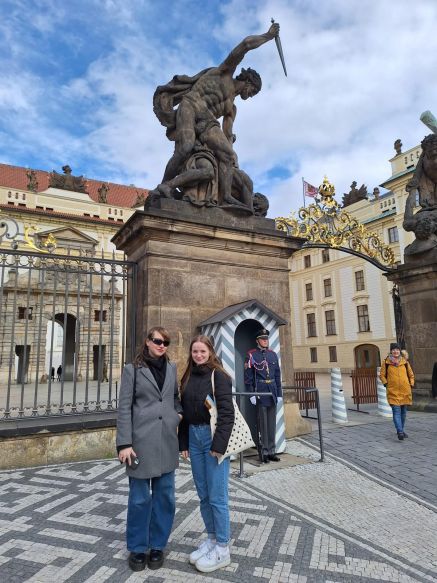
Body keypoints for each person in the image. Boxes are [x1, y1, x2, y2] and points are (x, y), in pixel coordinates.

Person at [154, 23, 279, 207]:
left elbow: (227, 135)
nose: (250, 96)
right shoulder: (225, 73)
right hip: (191, 105)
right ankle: (164, 186)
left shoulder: (231, 109)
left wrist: (233, 159)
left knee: (227, 154)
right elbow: (245, 45)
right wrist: (268, 36)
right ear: (248, 81)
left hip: (208, 121)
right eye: (252, 91)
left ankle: (227, 196)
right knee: (186, 147)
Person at [116, 327, 183, 572]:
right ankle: (137, 548)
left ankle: (157, 545)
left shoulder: (173, 367)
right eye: (157, 341)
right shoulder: (132, 369)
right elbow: (124, 407)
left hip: (166, 441)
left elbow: (175, 398)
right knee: (139, 499)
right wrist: (124, 443)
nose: (162, 345)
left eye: (166, 341)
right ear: (147, 342)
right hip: (140, 443)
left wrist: (177, 415)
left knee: (165, 497)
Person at [179, 335, 234, 573]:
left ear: (210, 352)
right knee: (202, 494)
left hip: (212, 439)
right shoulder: (188, 375)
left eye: (202, 351)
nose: (198, 355)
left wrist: (219, 445)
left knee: (217, 496)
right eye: (195, 352)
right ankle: (211, 539)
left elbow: (226, 414)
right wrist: (183, 443)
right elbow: (183, 411)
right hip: (194, 437)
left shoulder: (219, 376)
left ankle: (222, 548)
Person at [244, 328, 282, 463]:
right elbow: (248, 378)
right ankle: (264, 451)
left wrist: (279, 393)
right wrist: (251, 394)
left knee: (272, 423)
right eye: (262, 339)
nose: (265, 341)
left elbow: (277, 375)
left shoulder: (272, 355)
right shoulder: (251, 355)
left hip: (272, 391)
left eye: (266, 339)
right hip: (260, 392)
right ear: (257, 341)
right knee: (263, 424)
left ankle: (272, 450)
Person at [379, 343, 415, 441]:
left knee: (403, 413)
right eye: (393, 349)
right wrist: (386, 384)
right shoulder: (386, 362)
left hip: (405, 391)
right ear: (391, 351)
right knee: (396, 411)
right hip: (393, 391)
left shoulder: (405, 362)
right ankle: (399, 431)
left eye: (397, 349)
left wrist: (411, 384)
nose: (395, 351)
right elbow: (382, 375)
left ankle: (401, 430)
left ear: (399, 351)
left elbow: (411, 375)